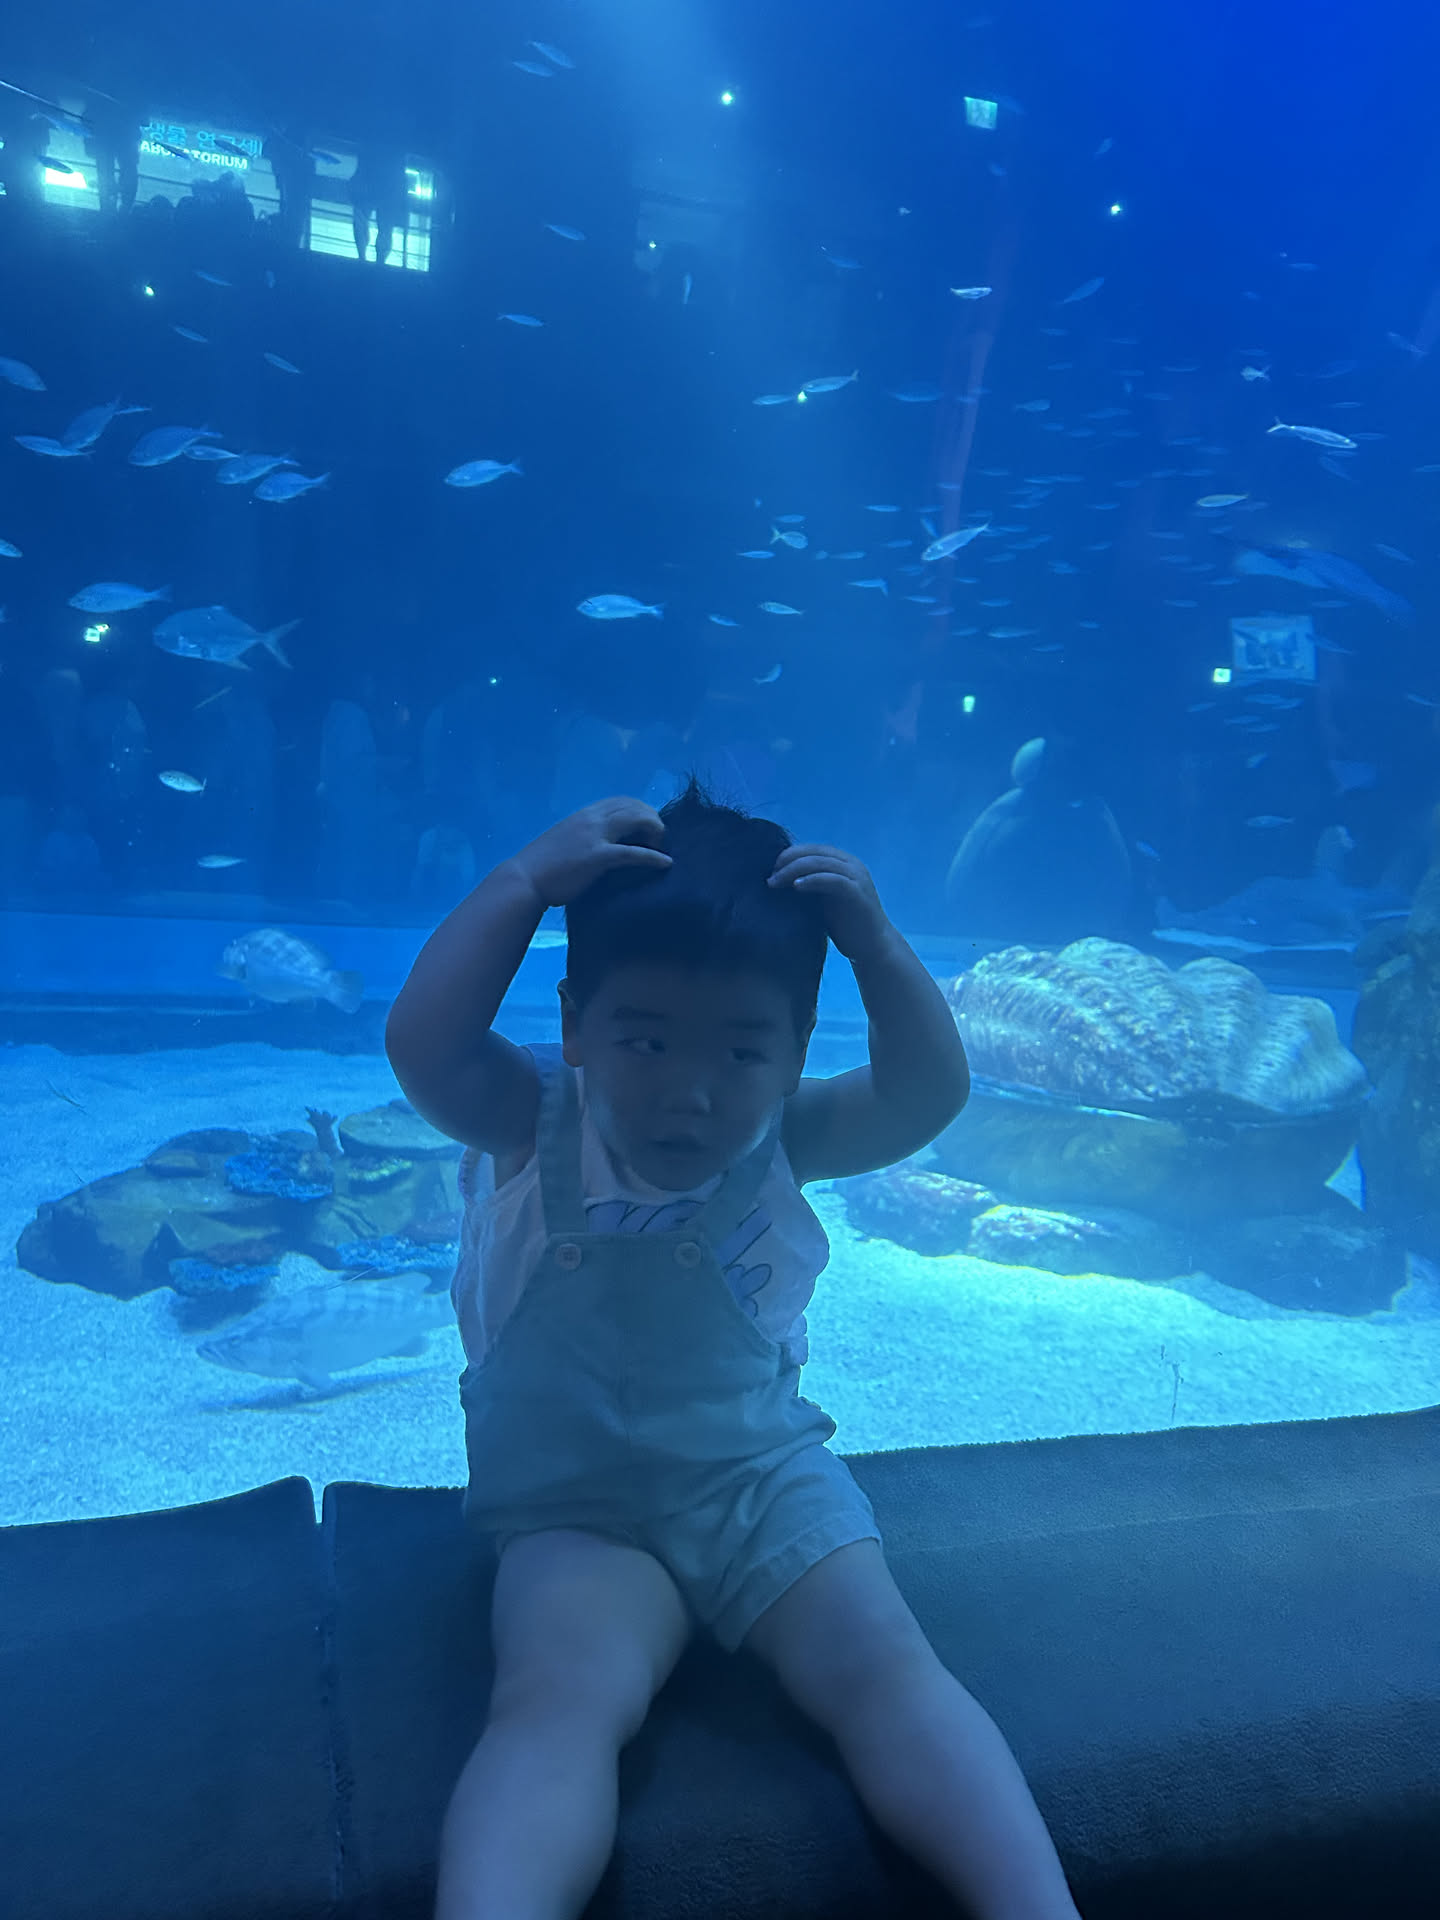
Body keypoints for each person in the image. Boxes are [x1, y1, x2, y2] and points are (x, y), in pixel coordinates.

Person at [385, 781, 1082, 1920]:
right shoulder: (526, 1114)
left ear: (799, 1049)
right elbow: (424, 1041)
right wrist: (522, 883)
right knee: (555, 1706)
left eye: (743, 1050)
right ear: (574, 1026)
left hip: (761, 1483)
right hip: (574, 1509)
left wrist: (876, 943)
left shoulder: (793, 1135)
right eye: (645, 1039)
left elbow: (929, 1090)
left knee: (890, 1672)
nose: (692, 1091)